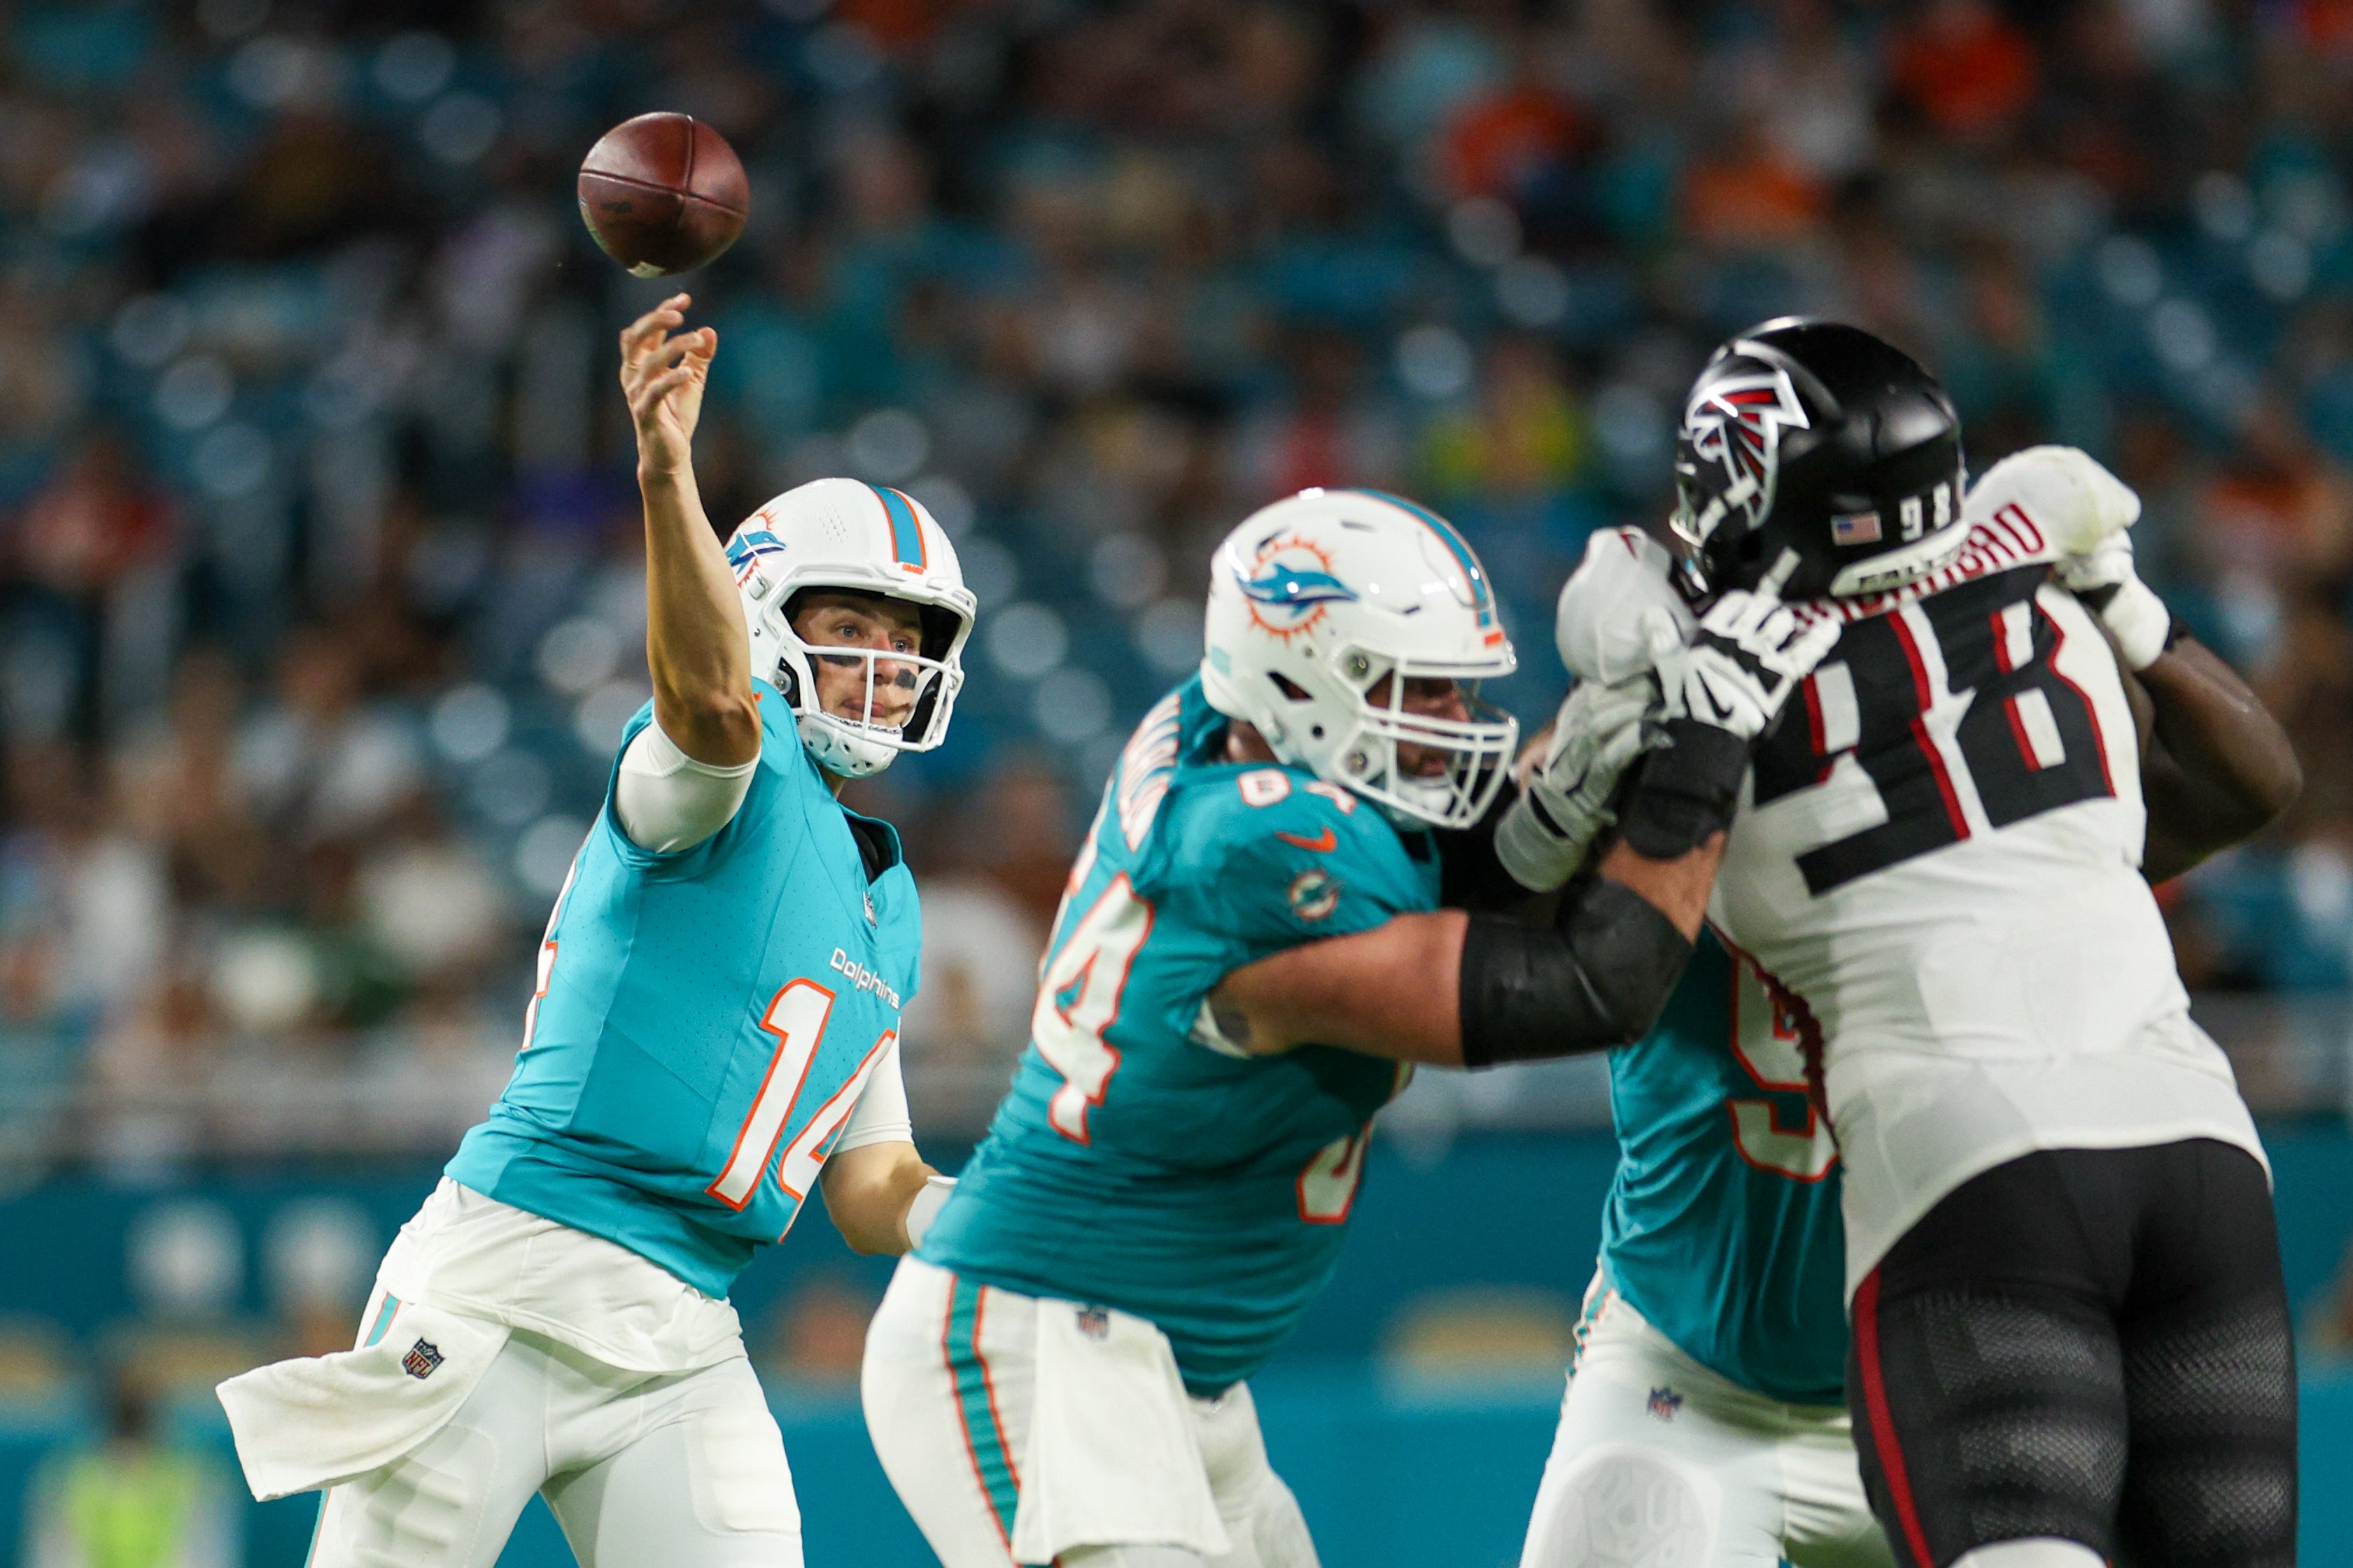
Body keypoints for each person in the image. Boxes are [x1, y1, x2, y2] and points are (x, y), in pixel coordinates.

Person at [859, 485, 1838, 1568]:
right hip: (1038, 1340)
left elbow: (1460, 862)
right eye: (1418, 690)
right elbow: (1589, 988)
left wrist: (1595, 734)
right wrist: (1699, 744)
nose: (1453, 723)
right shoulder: (1257, 850)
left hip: (1169, 1368)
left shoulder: (1238, 738)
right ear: (1300, 680)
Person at [212, 293, 977, 1568]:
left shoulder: (885, 896)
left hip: (685, 1333)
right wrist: (668, 475)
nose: (884, 664)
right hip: (509, 1282)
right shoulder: (722, 762)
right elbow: (709, 702)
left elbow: (871, 1186)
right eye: (848, 627)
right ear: (761, 616)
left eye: (904, 641)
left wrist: (1011, 1217)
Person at [1501, 435, 2301, 1568]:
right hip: (1695, 1366)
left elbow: (2230, 791)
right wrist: (1597, 729)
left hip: (1958, 1348)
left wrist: (2123, 607)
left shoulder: (1967, 789)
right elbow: (1512, 914)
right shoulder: (1691, 734)